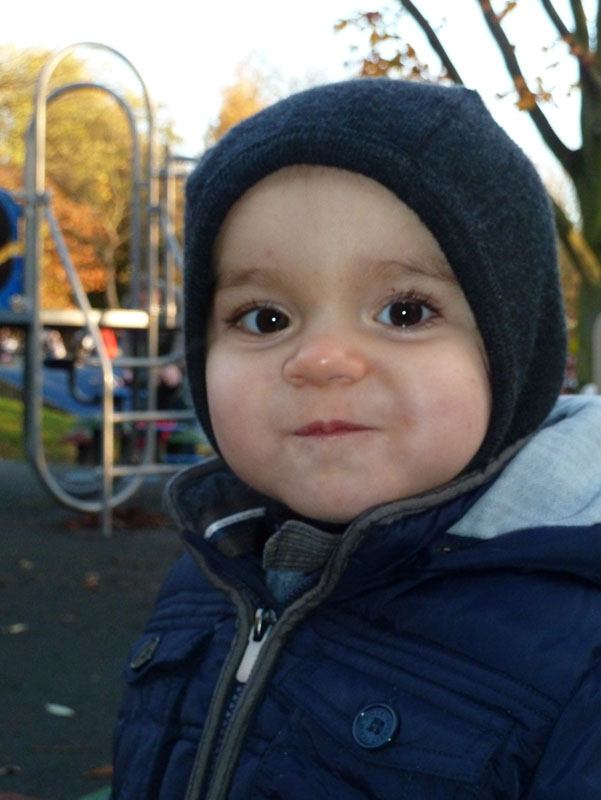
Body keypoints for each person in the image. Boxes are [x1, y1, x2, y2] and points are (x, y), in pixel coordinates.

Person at [111, 79, 601, 799]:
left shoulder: (576, 642)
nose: (320, 360)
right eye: (265, 319)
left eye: (404, 311)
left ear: (512, 351)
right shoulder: (212, 573)